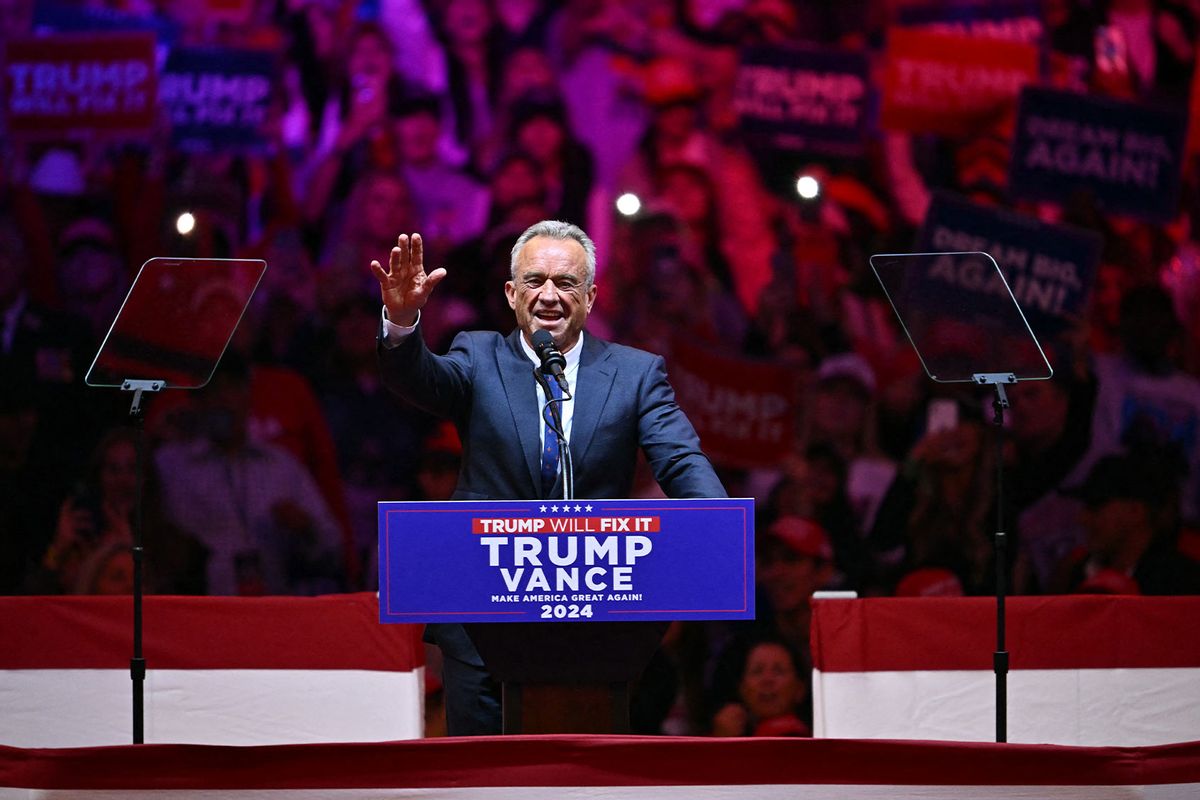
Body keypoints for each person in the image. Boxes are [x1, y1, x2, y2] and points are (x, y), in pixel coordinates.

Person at [370, 219, 726, 735]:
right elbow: (422, 380)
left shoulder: (636, 373)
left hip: (594, 614)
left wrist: (715, 526)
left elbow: (679, 461)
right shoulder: (478, 355)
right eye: (535, 281)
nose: (550, 296)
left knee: (579, 776)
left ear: (592, 295)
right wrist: (402, 322)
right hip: (480, 611)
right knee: (484, 779)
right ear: (513, 293)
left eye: (566, 283)